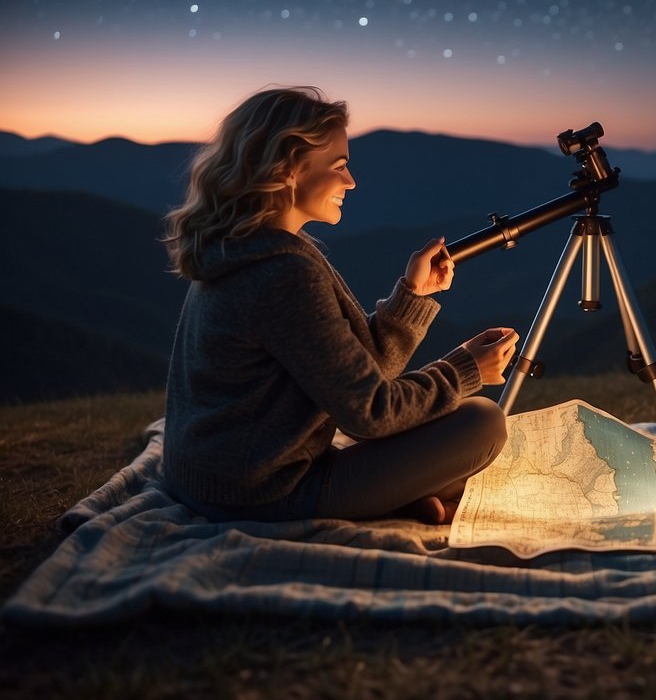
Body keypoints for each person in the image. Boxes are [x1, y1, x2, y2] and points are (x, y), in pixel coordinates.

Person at [160, 86, 518, 525]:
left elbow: (357, 371)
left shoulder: (246, 247)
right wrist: (466, 371)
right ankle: (394, 497)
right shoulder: (281, 273)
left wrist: (412, 295)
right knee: (481, 423)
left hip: (213, 477)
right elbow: (369, 413)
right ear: (289, 169)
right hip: (259, 493)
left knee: (442, 438)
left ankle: (398, 496)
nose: (351, 182)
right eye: (340, 166)